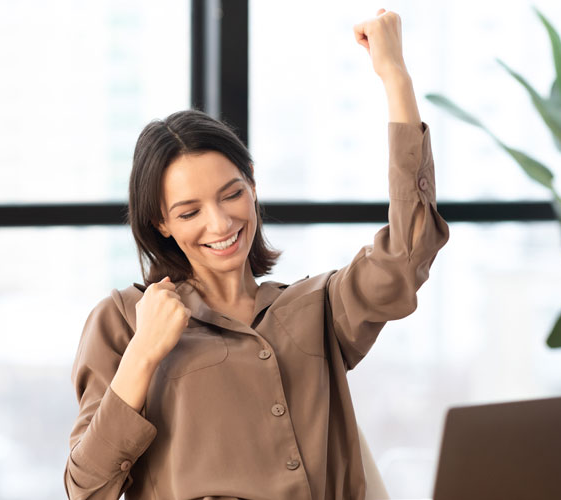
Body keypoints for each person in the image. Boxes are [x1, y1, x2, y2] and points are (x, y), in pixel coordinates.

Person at [63, 8, 450, 500]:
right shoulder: (123, 321)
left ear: (251, 180)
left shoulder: (318, 309)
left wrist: (395, 76)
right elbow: (86, 489)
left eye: (231, 194)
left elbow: (407, 253)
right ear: (159, 223)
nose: (221, 224)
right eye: (189, 212)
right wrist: (141, 355)